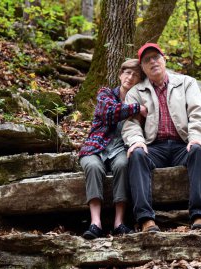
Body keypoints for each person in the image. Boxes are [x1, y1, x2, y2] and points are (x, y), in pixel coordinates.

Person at [122, 43, 201, 233]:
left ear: (164, 60)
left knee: (199, 151)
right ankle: (146, 220)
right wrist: (137, 140)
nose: (153, 61)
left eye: (156, 57)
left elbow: (197, 112)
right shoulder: (135, 92)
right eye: (147, 60)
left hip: (182, 145)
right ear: (143, 68)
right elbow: (131, 124)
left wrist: (195, 137)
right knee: (136, 155)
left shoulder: (186, 83)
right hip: (155, 147)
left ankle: (199, 216)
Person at [79, 59, 147, 239]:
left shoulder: (139, 97)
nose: (130, 77)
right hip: (96, 147)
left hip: (120, 149)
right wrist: (137, 108)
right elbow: (109, 114)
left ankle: (119, 222)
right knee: (93, 167)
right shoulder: (106, 93)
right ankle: (95, 223)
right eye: (127, 73)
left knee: (123, 165)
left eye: (135, 75)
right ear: (120, 74)